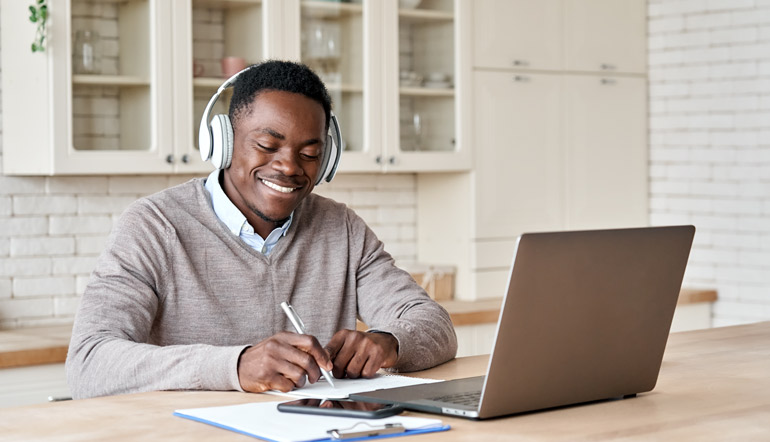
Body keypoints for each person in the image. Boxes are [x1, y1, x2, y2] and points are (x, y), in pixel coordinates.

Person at [66, 60, 457, 399]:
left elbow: (433, 323)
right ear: (223, 141)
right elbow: (89, 362)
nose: (289, 166)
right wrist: (235, 366)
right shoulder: (155, 226)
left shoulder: (343, 229)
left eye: (310, 154)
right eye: (268, 145)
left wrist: (389, 343)